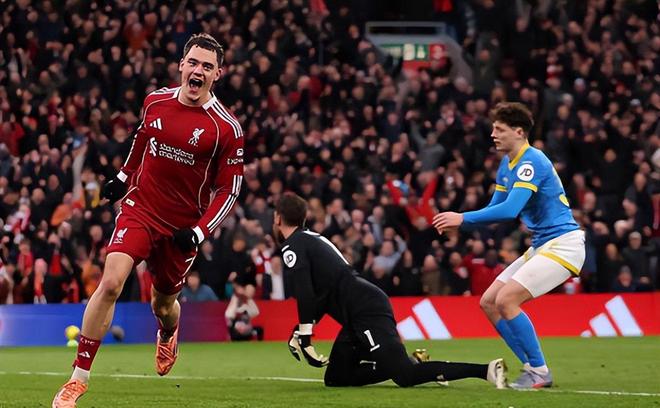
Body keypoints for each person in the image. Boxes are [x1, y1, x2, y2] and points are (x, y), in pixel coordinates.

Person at [53, 33, 244, 407]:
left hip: (181, 228)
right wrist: (123, 176)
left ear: (217, 74)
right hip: (141, 208)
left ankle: (168, 331)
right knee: (111, 282)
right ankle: (78, 379)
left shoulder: (226, 128)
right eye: (193, 62)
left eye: (207, 66)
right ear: (181, 65)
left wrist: (199, 231)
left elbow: (229, 189)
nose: (198, 71)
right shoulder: (156, 101)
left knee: (163, 304)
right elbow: (143, 138)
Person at [273, 193, 506, 388]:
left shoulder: (293, 245)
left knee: (405, 376)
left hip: (365, 310)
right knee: (336, 378)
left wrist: (306, 337)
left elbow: (305, 292)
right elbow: (323, 294)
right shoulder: (309, 240)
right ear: (304, 217)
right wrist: (301, 330)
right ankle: (410, 362)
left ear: (278, 218)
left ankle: (485, 370)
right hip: (358, 311)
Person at [432, 102, 585, 389]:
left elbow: (510, 210)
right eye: (493, 129)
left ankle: (539, 370)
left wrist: (462, 217)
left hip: (563, 244)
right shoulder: (507, 164)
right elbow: (495, 208)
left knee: (506, 300)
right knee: (489, 302)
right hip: (542, 245)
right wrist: (463, 223)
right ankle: (532, 368)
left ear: (519, 132)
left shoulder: (531, 161)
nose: (493, 134)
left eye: (500, 129)